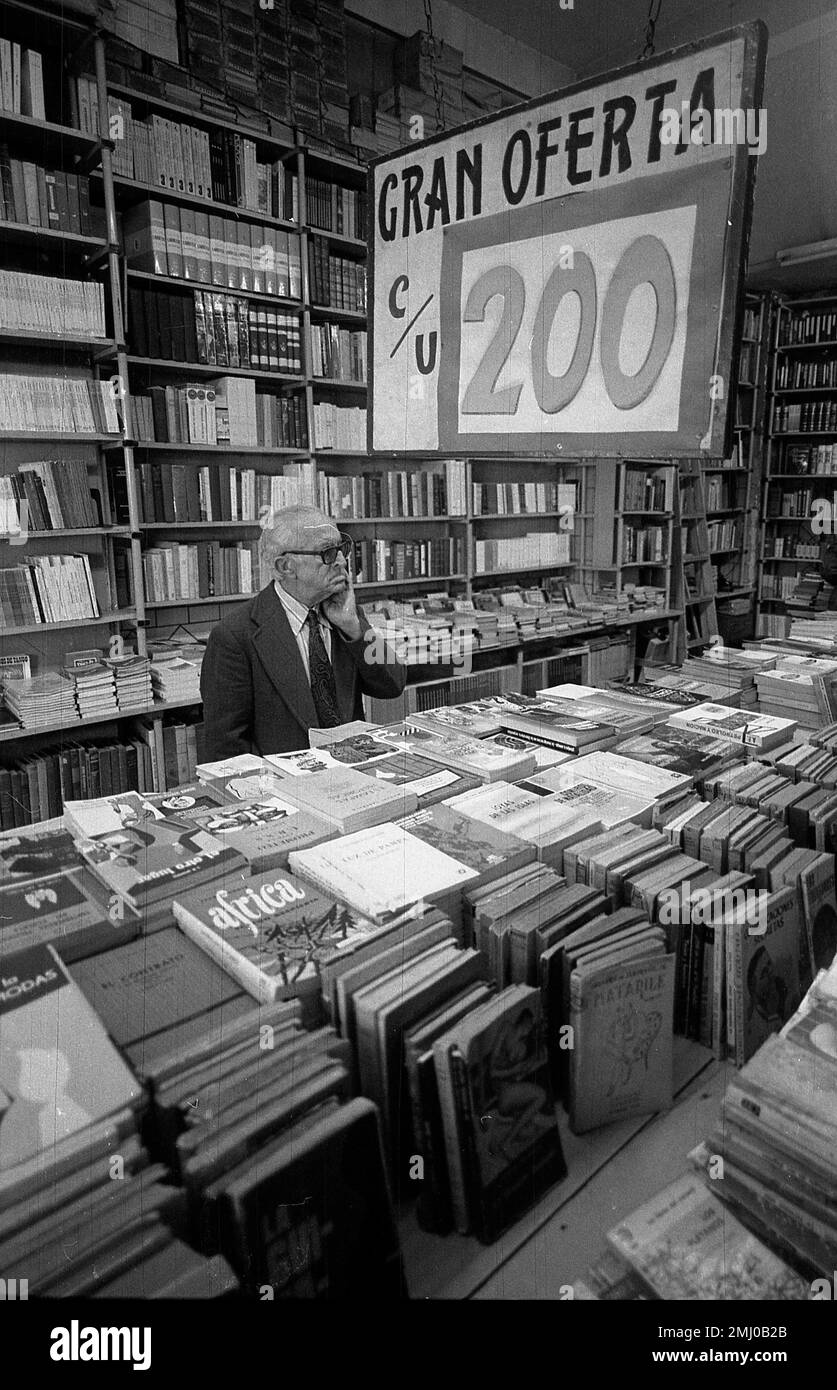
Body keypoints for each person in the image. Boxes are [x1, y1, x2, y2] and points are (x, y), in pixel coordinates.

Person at [200, 505, 407, 758]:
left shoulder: (344, 612)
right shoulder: (235, 636)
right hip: (285, 787)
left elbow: (393, 685)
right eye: (327, 553)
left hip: (353, 772)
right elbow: (225, 749)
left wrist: (354, 628)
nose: (342, 561)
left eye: (342, 549)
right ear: (286, 566)